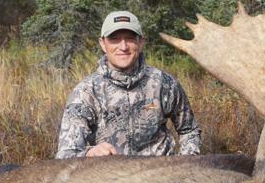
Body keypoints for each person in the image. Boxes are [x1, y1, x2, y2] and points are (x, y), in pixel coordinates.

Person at [56, 11, 201, 158]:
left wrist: (185, 163)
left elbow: (189, 131)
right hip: (110, 177)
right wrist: (89, 153)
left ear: (141, 42)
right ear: (103, 43)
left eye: (130, 39)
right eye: (114, 39)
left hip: (160, 176)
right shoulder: (86, 92)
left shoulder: (165, 83)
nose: (123, 46)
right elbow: (66, 154)